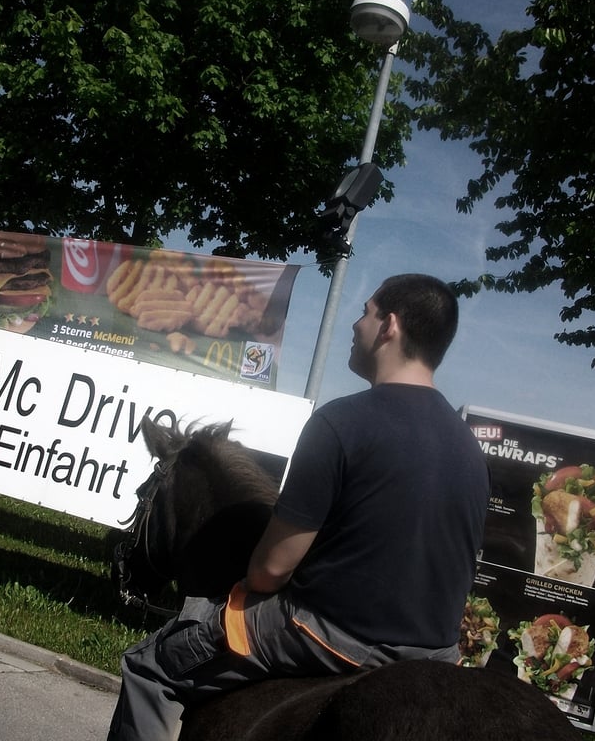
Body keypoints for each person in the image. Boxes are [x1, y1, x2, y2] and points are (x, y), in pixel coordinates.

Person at [106, 273, 490, 741]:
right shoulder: (469, 449)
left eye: (364, 312)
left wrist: (247, 585)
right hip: (436, 656)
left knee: (149, 666)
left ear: (389, 326)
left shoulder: (342, 421)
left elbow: (271, 569)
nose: (355, 325)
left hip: (333, 635)